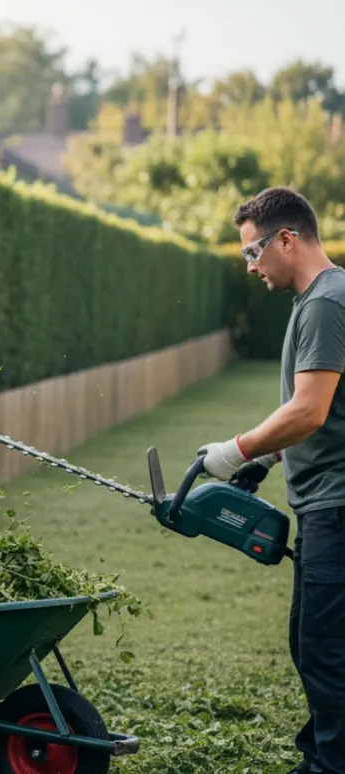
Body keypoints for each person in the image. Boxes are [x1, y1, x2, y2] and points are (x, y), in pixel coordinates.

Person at [197, 186, 345, 774]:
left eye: (253, 252)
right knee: (313, 646)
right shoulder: (318, 300)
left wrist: (233, 452)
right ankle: (322, 758)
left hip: (337, 507)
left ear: (287, 238)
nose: (251, 266)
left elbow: (308, 411)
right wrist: (267, 459)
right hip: (323, 503)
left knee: (327, 651)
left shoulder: (327, 303)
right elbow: (329, 414)